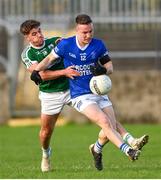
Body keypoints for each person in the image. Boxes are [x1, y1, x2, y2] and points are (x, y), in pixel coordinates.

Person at [31, 14, 149, 171]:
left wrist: (102, 69)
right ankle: (128, 150)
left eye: (90, 31)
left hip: (99, 91)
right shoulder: (66, 44)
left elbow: (110, 67)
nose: (88, 35)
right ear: (77, 30)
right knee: (105, 122)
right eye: (84, 32)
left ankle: (96, 148)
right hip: (80, 95)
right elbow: (49, 60)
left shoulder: (98, 45)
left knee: (110, 126)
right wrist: (37, 70)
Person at [20, 19, 80, 172]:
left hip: (71, 89)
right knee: (46, 132)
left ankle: (126, 141)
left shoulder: (54, 41)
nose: (39, 35)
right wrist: (64, 72)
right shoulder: (27, 54)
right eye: (34, 34)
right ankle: (46, 154)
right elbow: (40, 75)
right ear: (27, 37)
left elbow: (72, 45)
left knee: (100, 112)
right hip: (50, 95)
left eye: (39, 31)